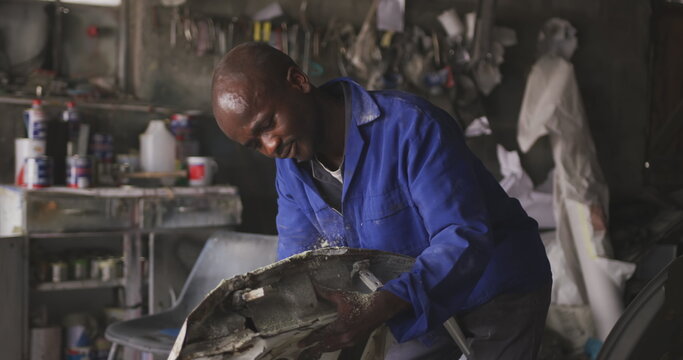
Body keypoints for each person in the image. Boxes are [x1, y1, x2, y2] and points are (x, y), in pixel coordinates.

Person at [212, 42, 552, 360]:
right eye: (255, 144)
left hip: (495, 287)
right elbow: (298, 263)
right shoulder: (290, 170)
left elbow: (462, 236)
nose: (270, 146)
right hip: (410, 304)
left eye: (268, 124)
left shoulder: (410, 128)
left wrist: (385, 303)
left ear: (298, 81)